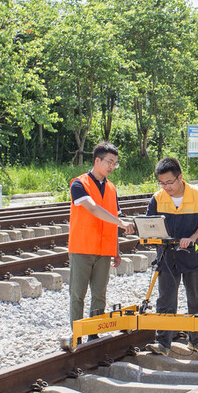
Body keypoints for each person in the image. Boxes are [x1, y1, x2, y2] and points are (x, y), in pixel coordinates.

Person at [144, 157, 198, 357]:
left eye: (170, 182)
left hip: (193, 255)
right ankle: (163, 343)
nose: (166, 187)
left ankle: (196, 340)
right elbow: (150, 224)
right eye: (162, 183)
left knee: (195, 298)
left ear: (180, 177)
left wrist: (192, 238)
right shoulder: (157, 198)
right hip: (167, 256)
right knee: (165, 299)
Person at [68, 142, 135, 338]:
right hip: (82, 248)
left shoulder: (112, 188)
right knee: (77, 295)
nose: (112, 167)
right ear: (97, 160)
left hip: (104, 250)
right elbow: (94, 209)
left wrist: (116, 248)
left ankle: (93, 333)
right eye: (109, 162)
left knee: (99, 295)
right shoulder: (79, 184)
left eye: (115, 163)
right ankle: (77, 334)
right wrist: (122, 223)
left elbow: (111, 218)